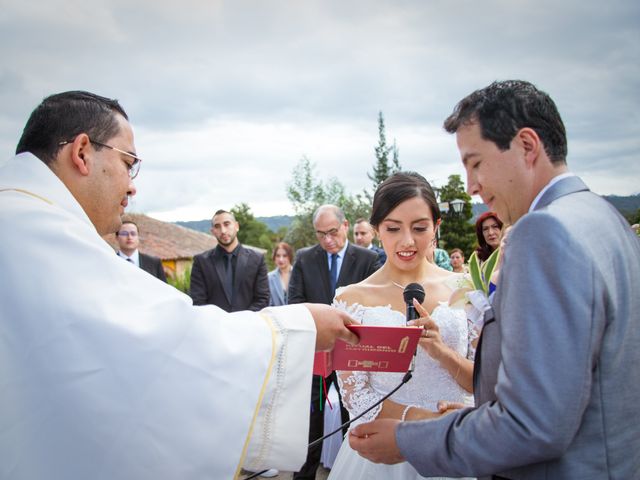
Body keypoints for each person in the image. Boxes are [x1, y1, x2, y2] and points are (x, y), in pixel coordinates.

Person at [0, 91, 360, 479]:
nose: (132, 186)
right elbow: (161, 339)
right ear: (83, 152)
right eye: (128, 163)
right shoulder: (37, 232)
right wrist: (299, 326)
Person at [349, 80, 640, 478]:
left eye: (476, 163)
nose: (471, 185)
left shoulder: (542, 233)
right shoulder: (606, 219)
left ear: (526, 145)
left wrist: (408, 438)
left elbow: (533, 423)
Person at [328, 172, 475, 480]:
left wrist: (441, 352)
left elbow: (485, 379)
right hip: (384, 453)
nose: (407, 241)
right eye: (394, 228)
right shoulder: (351, 299)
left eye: (420, 228)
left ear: (436, 227)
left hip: (458, 445)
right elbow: (358, 399)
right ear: (377, 230)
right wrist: (428, 421)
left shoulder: (463, 287)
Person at [288, 204, 379, 480]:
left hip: (353, 354)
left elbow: (374, 305)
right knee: (311, 423)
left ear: (345, 226)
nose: (327, 240)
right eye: (320, 234)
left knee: (350, 420)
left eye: (331, 232)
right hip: (316, 354)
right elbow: (295, 302)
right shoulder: (304, 259)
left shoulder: (368, 259)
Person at [190, 209, 270, 312]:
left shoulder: (257, 259)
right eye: (217, 226)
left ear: (236, 226)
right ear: (213, 231)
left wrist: (242, 321)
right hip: (215, 326)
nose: (223, 231)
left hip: (248, 325)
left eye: (227, 224)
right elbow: (198, 301)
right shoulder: (201, 262)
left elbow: (262, 299)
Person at [268, 241, 294, 306]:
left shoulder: (298, 275)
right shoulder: (269, 278)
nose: (281, 259)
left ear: (290, 256)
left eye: (284, 256)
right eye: (278, 256)